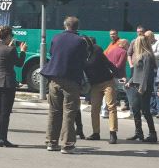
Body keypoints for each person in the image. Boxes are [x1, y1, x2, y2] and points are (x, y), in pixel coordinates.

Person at [42, 16, 89, 154]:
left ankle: (51, 142)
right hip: (71, 80)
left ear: (65, 26)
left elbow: (52, 53)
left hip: (55, 79)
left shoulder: (56, 38)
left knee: (54, 111)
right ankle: (67, 145)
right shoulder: (80, 41)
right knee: (69, 113)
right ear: (77, 27)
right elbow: (83, 59)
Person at [0, 25, 27, 147]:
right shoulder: (10, 50)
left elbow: (2, 56)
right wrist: (23, 51)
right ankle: (2, 139)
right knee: (5, 112)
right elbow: (19, 63)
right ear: (9, 36)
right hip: (7, 82)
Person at [83, 36, 119, 144]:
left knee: (111, 106)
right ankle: (96, 133)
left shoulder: (97, 50)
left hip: (107, 81)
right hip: (95, 84)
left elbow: (101, 63)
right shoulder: (81, 54)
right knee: (94, 108)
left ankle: (113, 133)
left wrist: (117, 74)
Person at [126, 32, 158, 143]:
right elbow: (136, 71)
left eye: (136, 43)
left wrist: (142, 87)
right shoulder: (139, 55)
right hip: (136, 85)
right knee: (135, 109)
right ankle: (138, 133)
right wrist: (130, 81)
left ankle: (152, 133)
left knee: (145, 111)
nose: (134, 44)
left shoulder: (147, 55)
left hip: (143, 87)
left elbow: (146, 73)